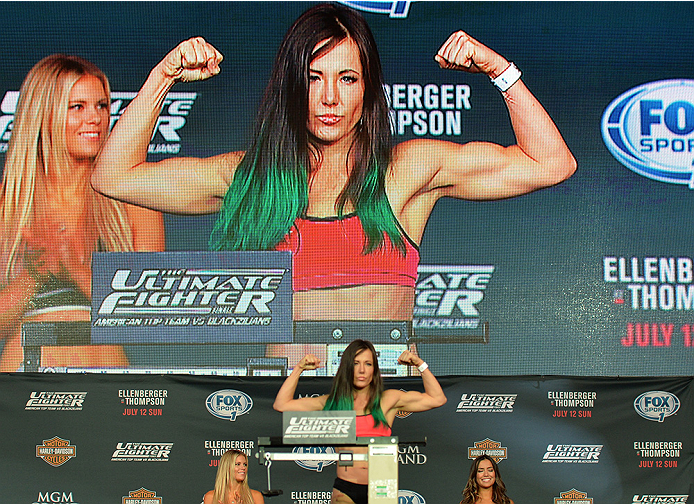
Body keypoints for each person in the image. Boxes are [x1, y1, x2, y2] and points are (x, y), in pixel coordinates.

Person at [91, 4, 576, 362]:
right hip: (285, 407)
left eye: (347, 79)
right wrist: (163, 76)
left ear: (367, 91)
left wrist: (499, 70)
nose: (329, 97)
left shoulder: (403, 174)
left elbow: (551, 163)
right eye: (314, 77)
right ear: (291, 85)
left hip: (377, 411)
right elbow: (113, 176)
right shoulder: (252, 179)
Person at [0, 54, 164, 371]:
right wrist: (33, 275)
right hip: (23, 380)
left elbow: (152, 316)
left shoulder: (134, 200)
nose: (95, 118)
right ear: (43, 114)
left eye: (102, 106)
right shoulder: (9, 206)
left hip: (106, 381)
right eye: (78, 107)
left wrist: (73, 267)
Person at [273, 339, 447, 504]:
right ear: (347, 368)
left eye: (368, 364)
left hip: (383, 485)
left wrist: (419, 364)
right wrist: (299, 368)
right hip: (346, 486)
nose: (362, 370)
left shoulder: (388, 400)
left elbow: (437, 399)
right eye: (356, 363)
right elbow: (282, 404)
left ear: (375, 370)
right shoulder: (332, 403)